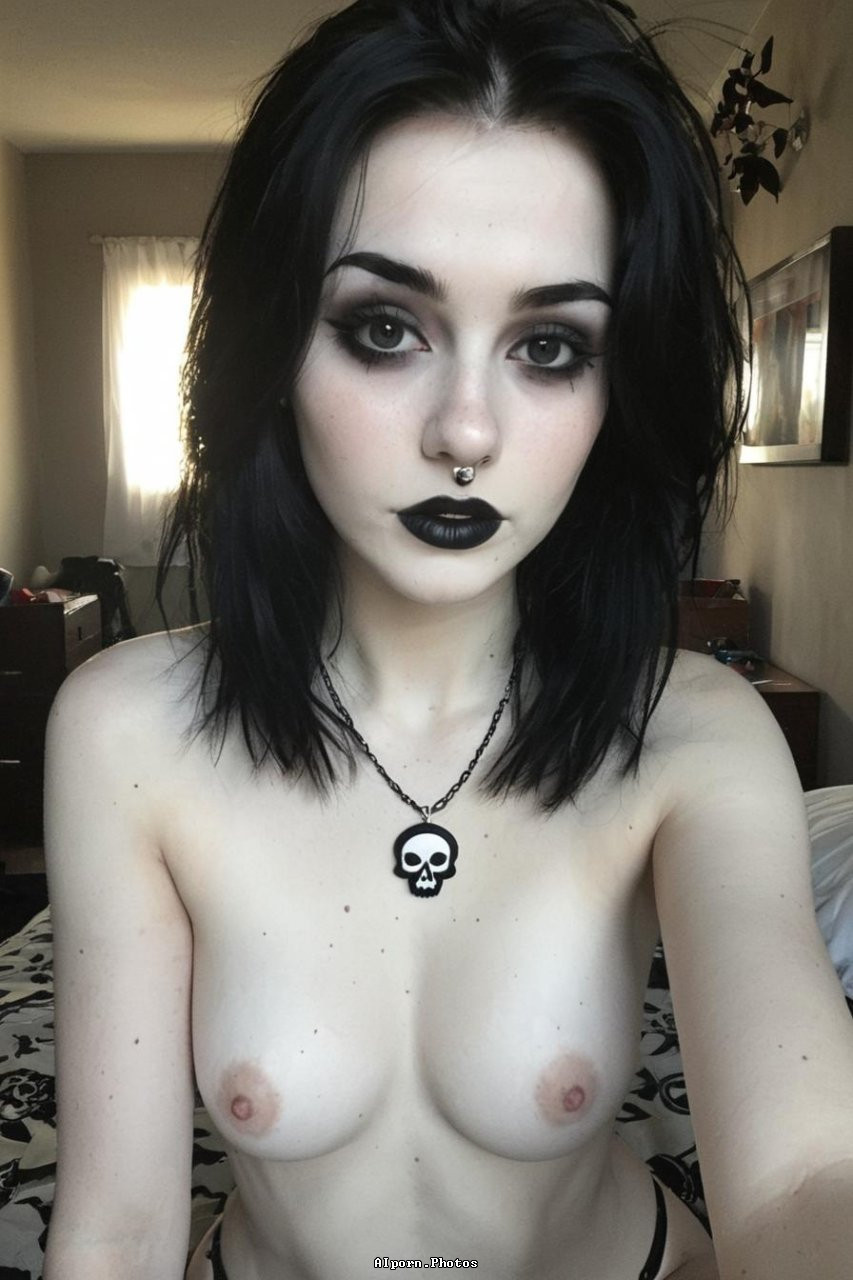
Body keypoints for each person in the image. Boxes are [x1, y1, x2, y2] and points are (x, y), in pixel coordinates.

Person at [43, 2, 853, 1278]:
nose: (466, 430)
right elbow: (118, 1224)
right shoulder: (126, 728)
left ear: (616, 388)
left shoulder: (692, 735)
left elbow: (807, 1171)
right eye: (385, 328)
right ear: (273, 344)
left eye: (549, 345)